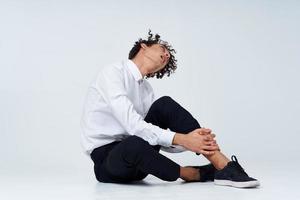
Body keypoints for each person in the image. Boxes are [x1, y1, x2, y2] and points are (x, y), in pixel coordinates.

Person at [81, 30, 260, 188]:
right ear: (143, 46)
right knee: (133, 143)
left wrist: (193, 141)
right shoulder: (113, 73)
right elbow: (133, 126)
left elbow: (153, 135)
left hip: (140, 161)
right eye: (163, 50)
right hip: (109, 163)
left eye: (168, 56)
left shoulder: (146, 90)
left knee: (164, 105)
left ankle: (224, 167)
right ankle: (192, 173)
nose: (167, 56)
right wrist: (183, 139)